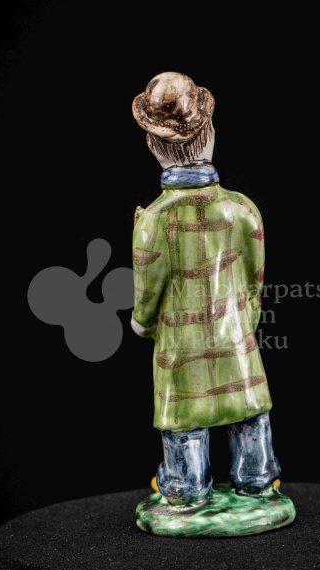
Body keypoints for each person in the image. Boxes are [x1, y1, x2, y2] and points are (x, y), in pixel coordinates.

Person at [132, 72, 281, 506]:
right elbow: (255, 281)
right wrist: (245, 319)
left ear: (155, 147)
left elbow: (148, 289)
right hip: (234, 333)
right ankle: (257, 477)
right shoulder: (241, 209)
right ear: (210, 135)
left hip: (181, 341)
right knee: (249, 407)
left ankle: (185, 485)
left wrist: (142, 322)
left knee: (183, 415)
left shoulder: (154, 220)